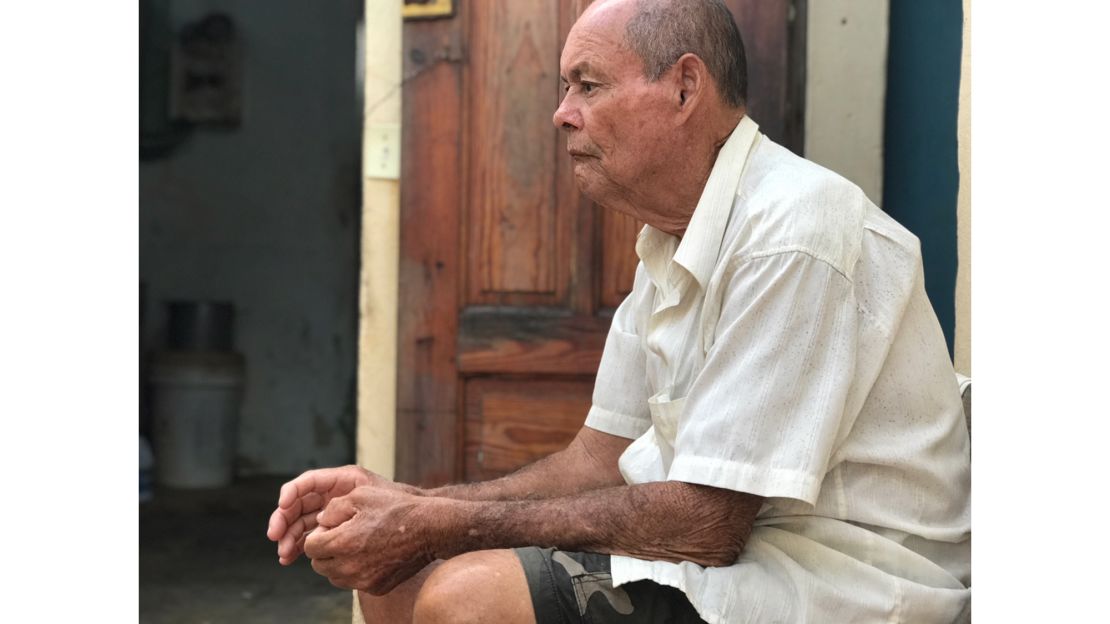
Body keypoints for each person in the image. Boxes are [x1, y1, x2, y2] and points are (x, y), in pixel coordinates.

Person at [267, 0, 971, 621]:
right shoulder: (669, 241)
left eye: (588, 85)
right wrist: (408, 505)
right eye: (565, 87)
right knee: (397, 574)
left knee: (468, 597)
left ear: (684, 86)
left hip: (837, 579)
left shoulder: (793, 230)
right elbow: (596, 461)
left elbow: (706, 524)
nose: (562, 111)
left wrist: (436, 523)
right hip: (739, 556)